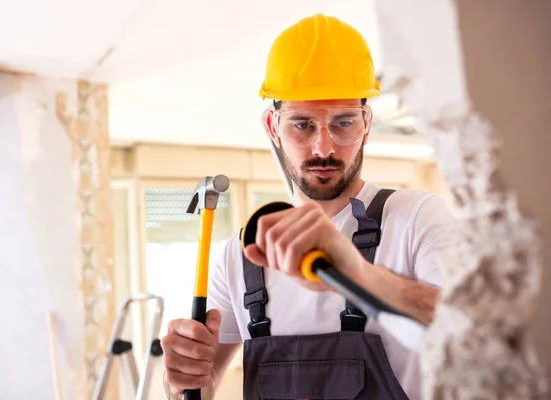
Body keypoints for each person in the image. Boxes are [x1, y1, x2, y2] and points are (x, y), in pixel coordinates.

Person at [161, 13, 453, 400]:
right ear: (273, 128)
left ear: (367, 124)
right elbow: (199, 385)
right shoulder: (239, 256)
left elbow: (476, 327)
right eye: (302, 124)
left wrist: (355, 272)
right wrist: (180, 379)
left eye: (344, 122)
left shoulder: (418, 218)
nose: (324, 147)